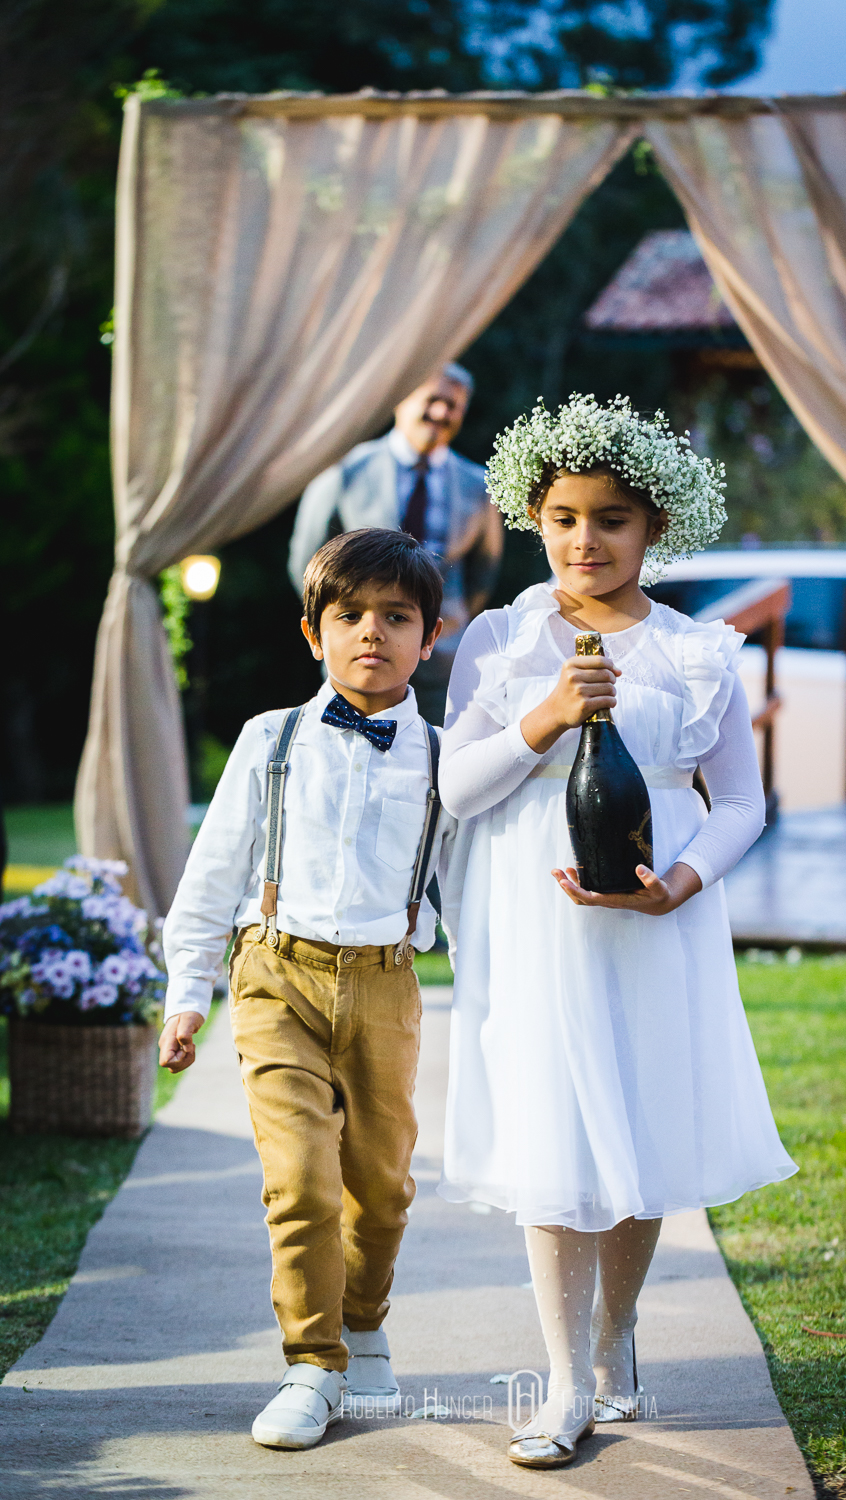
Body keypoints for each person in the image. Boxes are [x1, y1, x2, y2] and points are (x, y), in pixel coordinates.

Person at [437, 394, 797, 1471]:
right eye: (560, 517)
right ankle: (558, 1386)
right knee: (554, 1136)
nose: (583, 541)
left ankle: (613, 1332)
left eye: (610, 519)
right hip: (535, 929)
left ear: (655, 529)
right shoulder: (501, 641)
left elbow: (740, 801)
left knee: (631, 1137)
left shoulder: (695, 653)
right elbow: (455, 790)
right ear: (531, 520)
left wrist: (680, 881)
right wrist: (541, 715)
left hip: (650, 928)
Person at [159, 528, 454, 1450]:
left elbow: (470, 891)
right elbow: (212, 876)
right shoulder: (269, 740)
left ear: (429, 637)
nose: (373, 632)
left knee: (381, 1185)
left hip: (385, 983)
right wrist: (186, 994)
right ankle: (311, 1363)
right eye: (350, 614)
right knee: (299, 1182)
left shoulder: (447, 759)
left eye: (396, 617)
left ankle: (364, 1323)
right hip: (274, 976)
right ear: (312, 633)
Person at [288, 364, 504, 725]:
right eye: (432, 399)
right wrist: (345, 623)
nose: (440, 412)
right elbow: (306, 564)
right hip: (361, 654)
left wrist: (438, 625)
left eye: (452, 405)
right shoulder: (345, 472)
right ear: (400, 401)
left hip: (446, 662)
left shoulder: (479, 485)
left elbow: (484, 574)